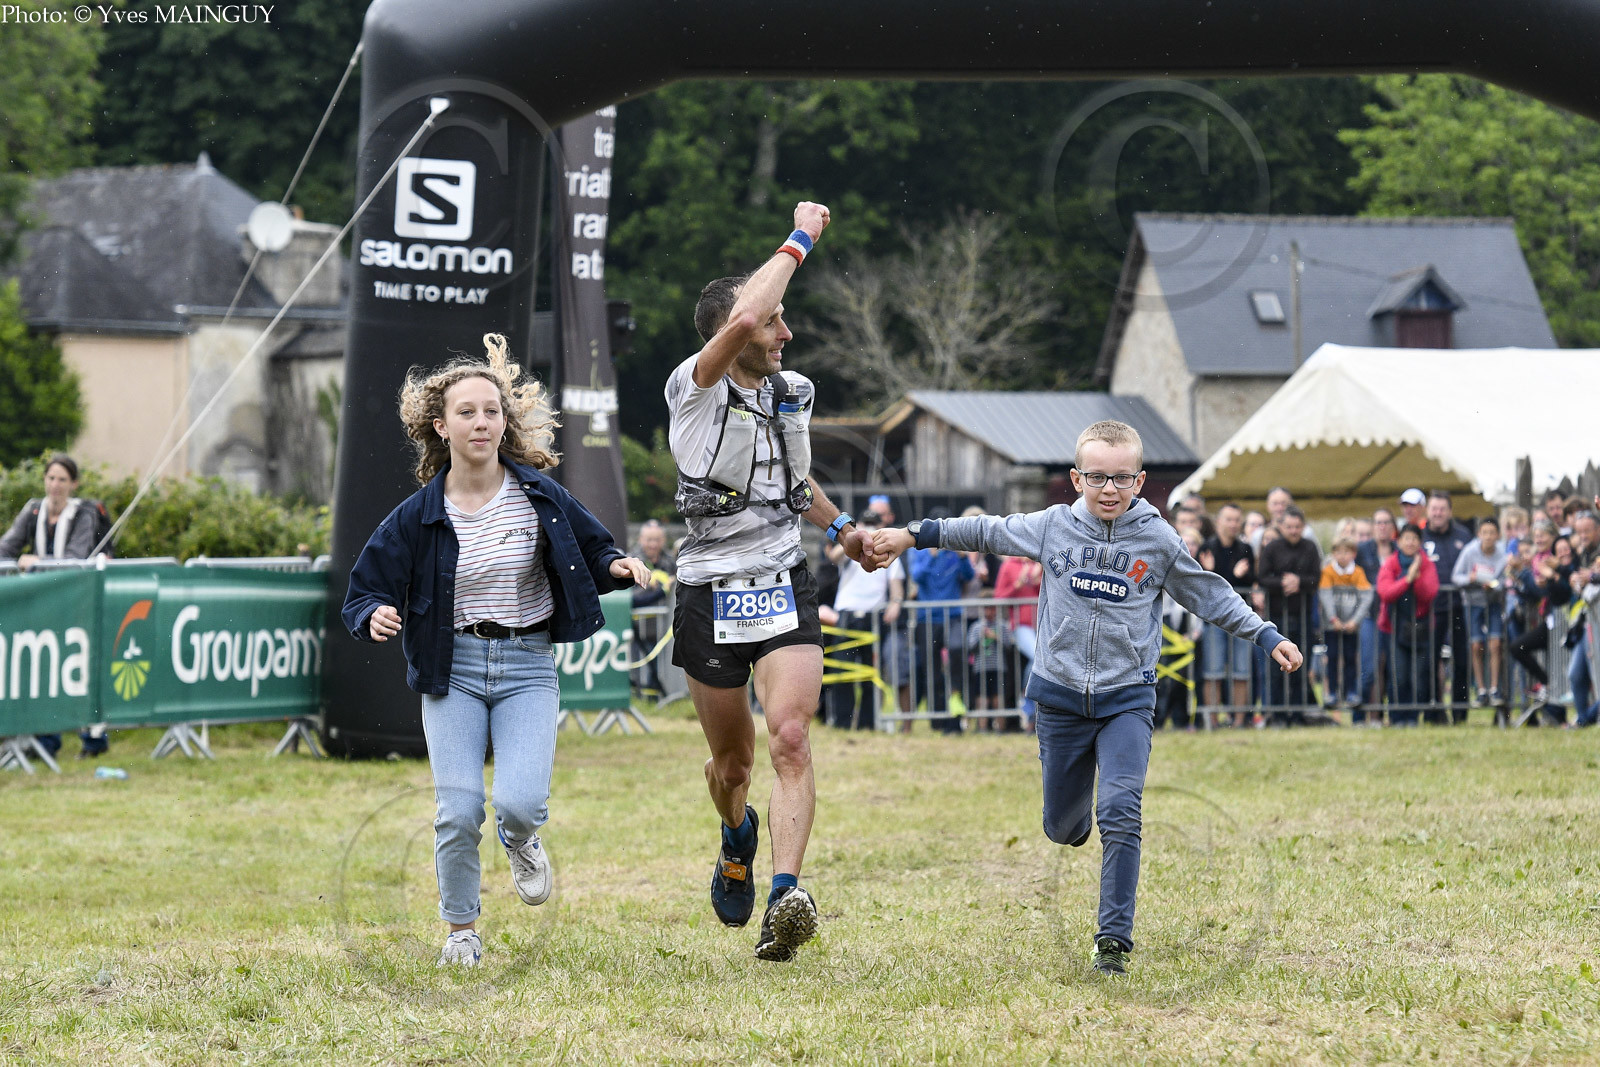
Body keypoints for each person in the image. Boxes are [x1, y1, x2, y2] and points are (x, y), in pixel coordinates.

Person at [871, 420, 1302, 977]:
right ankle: (1070, 825)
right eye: (1097, 477)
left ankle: (1113, 941)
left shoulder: (1158, 539)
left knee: (1120, 809)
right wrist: (912, 534)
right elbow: (985, 532)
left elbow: (1207, 593)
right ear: (1077, 479)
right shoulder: (1053, 526)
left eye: (1122, 478)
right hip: (1060, 698)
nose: (1109, 489)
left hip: (1127, 699)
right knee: (1062, 826)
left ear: (1140, 481)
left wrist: (1266, 634)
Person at [342, 334, 651, 968]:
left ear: (504, 423)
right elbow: (364, 588)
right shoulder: (417, 515)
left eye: (491, 411)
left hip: (527, 667)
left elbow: (595, 547)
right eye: (467, 412)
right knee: (458, 811)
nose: (481, 422)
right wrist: (373, 614)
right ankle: (461, 932)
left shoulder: (540, 496)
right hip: (450, 669)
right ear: (441, 427)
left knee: (517, 803)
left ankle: (521, 836)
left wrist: (617, 566)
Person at [664, 201, 881, 962]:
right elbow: (750, 312)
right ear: (735, 331)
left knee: (790, 736)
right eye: (776, 321)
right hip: (709, 589)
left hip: (783, 577)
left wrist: (842, 528)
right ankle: (737, 836)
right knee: (733, 765)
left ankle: (785, 897)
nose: (784, 333)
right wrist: (800, 237)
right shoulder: (693, 387)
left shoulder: (791, 391)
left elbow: (791, 481)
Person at [0, 453, 113, 758]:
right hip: (43, 604)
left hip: (77, 603)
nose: (55, 485)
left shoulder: (83, 514)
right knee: (44, 669)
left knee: (81, 669)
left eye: (63, 479)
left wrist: (37, 561)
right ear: (44, 480)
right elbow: (6, 547)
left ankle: (94, 740)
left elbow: (75, 557)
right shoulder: (33, 511)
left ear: (73, 484)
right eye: (51, 478)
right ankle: (46, 741)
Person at [825, 508, 904, 730]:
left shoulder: (888, 552)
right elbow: (834, 557)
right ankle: (842, 722)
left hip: (874, 617)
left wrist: (896, 603)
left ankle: (867, 724)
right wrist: (855, 537)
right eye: (865, 524)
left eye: (873, 525)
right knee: (842, 671)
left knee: (871, 672)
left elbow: (896, 586)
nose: (870, 529)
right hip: (847, 615)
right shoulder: (850, 549)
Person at [908, 508, 975, 734]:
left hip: (953, 616)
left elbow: (969, 576)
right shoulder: (919, 551)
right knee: (932, 670)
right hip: (927, 619)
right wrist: (930, 554)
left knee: (957, 650)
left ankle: (956, 707)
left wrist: (963, 556)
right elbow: (916, 576)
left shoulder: (954, 552)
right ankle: (937, 720)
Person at [1257, 505, 1321, 722]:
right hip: (1276, 617)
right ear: (1282, 526)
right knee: (1275, 667)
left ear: (1303, 527)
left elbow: (1316, 578)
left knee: (1301, 665)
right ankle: (1277, 714)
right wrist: (1283, 583)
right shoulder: (1272, 548)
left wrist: (1299, 582)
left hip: (1303, 617)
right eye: (1289, 527)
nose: (1293, 531)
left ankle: (1298, 713)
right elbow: (1263, 577)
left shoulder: (1310, 548)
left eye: (1297, 527)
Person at [1197, 502, 1256, 724]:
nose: (1233, 524)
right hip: (1213, 618)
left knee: (1242, 671)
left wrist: (1234, 575)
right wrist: (1217, 572)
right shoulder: (1207, 547)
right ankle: (1212, 721)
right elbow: (1203, 581)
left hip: (1240, 617)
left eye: (1237, 520)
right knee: (1213, 672)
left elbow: (1250, 581)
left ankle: (1239, 721)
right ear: (1219, 521)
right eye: (1229, 519)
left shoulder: (1246, 549)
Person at [1507, 520, 1570, 722]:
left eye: (1543, 535)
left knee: (1557, 665)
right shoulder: (1537, 560)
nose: (1539, 539)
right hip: (1548, 619)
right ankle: (1548, 687)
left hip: (1562, 619)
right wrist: (1519, 576)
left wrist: (1524, 573)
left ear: (1553, 536)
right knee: (1519, 648)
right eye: (1536, 536)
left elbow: (1543, 591)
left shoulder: (1555, 559)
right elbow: (1534, 593)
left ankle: (1559, 710)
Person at [1377, 524, 1439, 726]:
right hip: (1393, 629)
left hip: (1421, 629)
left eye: (1414, 539)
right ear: (1399, 541)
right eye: (1406, 538)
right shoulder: (1391, 563)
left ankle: (1412, 717)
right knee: (1398, 675)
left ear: (1420, 542)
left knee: (1418, 676)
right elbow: (1386, 592)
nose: (1410, 542)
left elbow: (1429, 593)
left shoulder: (1426, 564)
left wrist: (1416, 577)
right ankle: (1397, 717)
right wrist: (1408, 579)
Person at [1421, 491, 1473, 722]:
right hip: (1431, 609)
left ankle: (1460, 713)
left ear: (1450, 511)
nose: (1438, 513)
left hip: (1460, 607)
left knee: (1461, 661)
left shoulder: (1464, 536)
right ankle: (1434, 713)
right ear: (1428, 511)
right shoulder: (1420, 537)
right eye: (1434, 509)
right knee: (1430, 661)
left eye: (1442, 509)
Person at [1452, 516, 1510, 706]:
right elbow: (1456, 577)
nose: (1488, 537)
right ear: (1479, 534)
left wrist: (1495, 586)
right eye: (1485, 533)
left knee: (1495, 644)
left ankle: (1494, 688)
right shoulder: (1469, 551)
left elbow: (1505, 580)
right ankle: (1481, 689)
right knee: (1476, 645)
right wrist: (1471, 578)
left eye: (1492, 533)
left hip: (1493, 603)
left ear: (1498, 535)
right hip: (1472, 603)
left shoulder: (1502, 554)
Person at [1319, 537, 1373, 712]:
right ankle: (1332, 693)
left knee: (1350, 658)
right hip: (1332, 626)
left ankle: (1351, 692)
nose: (1342, 556)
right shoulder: (1328, 571)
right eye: (1339, 552)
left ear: (1353, 554)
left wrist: (1355, 621)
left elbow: (1366, 596)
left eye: (1346, 552)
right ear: (1333, 554)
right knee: (1332, 657)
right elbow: (1325, 595)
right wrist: (1333, 619)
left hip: (1351, 626)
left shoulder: (1358, 572)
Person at [995, 552, 1044, 729]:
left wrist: (1038, 582)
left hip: (1042, 623)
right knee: (1037, 656)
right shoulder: (1009, 565)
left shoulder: (1040, 564)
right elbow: (999, 597)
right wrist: (1018, 584)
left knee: (1039, 659)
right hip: (1021, 625)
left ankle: (1029, 702)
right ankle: (1027, 699)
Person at [1356, 509, 1398, 716]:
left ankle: (1388, 715)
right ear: (1373, 527)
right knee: (1369, 669)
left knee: (1392, 668)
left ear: (1393, 527)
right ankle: (1359, 715)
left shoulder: (1399, 550)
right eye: (1378, 522)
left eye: (1386, 522)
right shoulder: (1362, 550)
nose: (1382, 526)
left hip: (1395, 616)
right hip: (1370, 615)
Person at [629, 519, 677, 697]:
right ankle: (641, 695)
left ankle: (661, 695)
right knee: (640, 664)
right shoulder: (632, 561)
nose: (653, 544)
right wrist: (654, 589)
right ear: (641, 540)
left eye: (657, 540)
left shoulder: (671, 562)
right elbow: (631, 598)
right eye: (649, 540)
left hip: (665, 627)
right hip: (638, 628)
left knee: (664, 664)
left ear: (663, 541)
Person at [965, 592, 1018, 731]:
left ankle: (1001, 728)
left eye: (992, 608)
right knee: (981, 699)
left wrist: (995, 637)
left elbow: (1008, 646)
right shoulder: (976, 627)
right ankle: (982, 728)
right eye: (986, 608)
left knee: (998, 699)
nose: (989, 611)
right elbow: (971, 648)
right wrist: (981, 637)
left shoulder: (1002, 626)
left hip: (998, 668)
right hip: (980, 668)